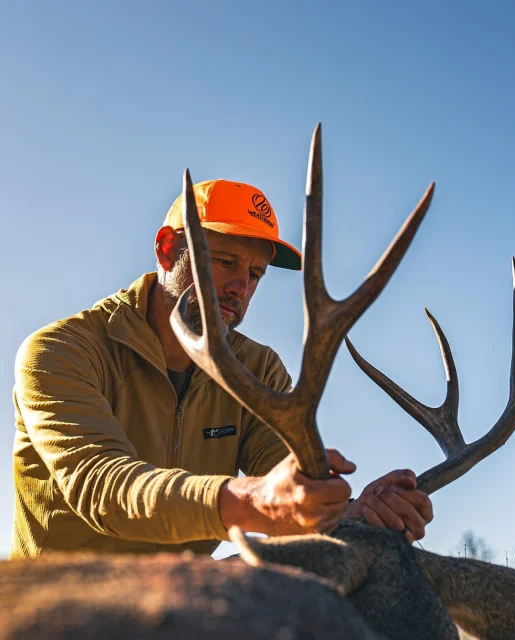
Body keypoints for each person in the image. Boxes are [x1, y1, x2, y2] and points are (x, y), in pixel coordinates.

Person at [11, 179, 433, 559]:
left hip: (184, 602)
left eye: (255, 274)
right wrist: (256, 502)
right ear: (165, 249)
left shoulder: (258, 369)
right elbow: (105, 487)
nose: (241, 288)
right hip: (60, 604)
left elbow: (286, 485)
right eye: (226, 261)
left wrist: (349, 511)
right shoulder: (63, 350)